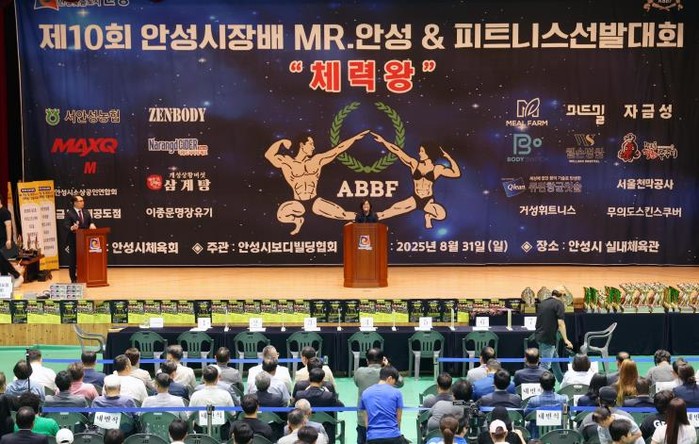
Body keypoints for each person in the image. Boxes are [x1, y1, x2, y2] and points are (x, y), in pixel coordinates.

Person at [265, 130, 369, 235]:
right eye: (311, 144)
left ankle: (369, 219)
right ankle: (298, 221)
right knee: (281, 215)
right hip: (298, 203)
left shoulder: (316, 160)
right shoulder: (287, 162)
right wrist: (281, 141)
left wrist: (354, 138)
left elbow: (338, 149)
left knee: (343, 214)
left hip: (315, 201)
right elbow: (269, 155)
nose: (313, 147)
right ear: (302, 145)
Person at [371, 132, 461, 228]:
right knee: (388, 212)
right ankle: (366, 220)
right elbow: (397, 151)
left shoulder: (437, 168)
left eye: (422, 151)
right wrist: (383, 141)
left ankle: (429, 217)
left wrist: (448, 158)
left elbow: (456, 174)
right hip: (415, 199)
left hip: (428, 201)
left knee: (441, 215)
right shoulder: (414, 164)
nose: (419, 153)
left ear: (429, 153)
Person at [353, 348, 403, 444]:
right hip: (388, 424)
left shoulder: (359, 372)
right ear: (382, 360)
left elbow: (356, 383)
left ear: (367, 360)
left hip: (364, 420)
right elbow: (400, 382)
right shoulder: (386, 374)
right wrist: (388, 366)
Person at [534, 287, 573, 382]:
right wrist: (566, 340)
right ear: (562, 295)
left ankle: (562, 382)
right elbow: (561, 324)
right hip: (548, 338)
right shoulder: (559, 304)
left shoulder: (543, 303)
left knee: (555, 360)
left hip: (539, 336)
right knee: (545, 365)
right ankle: (538, 386)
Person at [524, 371, 568, 437]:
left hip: (537, 436)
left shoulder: (533, 401)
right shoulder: (563, 400)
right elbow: (567, 416)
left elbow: (525, 416)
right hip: (557, 436)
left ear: (540, 385)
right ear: (554, 385)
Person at [64, 195, 96, 283]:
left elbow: (90, 222)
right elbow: (66, 225)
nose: (83, 202)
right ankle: (73, 279)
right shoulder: (69, 213)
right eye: (80, 201)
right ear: (75, 203)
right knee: (73, 260)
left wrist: (92, 224)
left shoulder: (86, 212)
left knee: (85, 259)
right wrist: (72, 227)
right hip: (74, 240)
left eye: (83, 200)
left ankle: (85, 276)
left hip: (85, 240)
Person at [0, 198, 22, 289]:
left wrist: (9, 239)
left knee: (2, 259)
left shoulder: (4, 212)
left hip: (4, 240)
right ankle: (5, 282)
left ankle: (17, 276)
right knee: (2, 262)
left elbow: (8, 226)